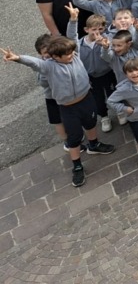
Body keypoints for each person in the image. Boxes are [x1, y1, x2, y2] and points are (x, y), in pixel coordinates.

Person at [3, 20, 116, 189]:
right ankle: (77, 165)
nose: (72, 56)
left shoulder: (74, 53)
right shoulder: (49, 67)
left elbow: (72, 36)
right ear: (55, 57)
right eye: (67, 55)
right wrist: (18, 58)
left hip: (86, 98)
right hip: (68, 107)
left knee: (91, 123)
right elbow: (34, 63)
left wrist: (72, 20)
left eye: (71, 52)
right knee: (74, 137)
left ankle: (94, 144)